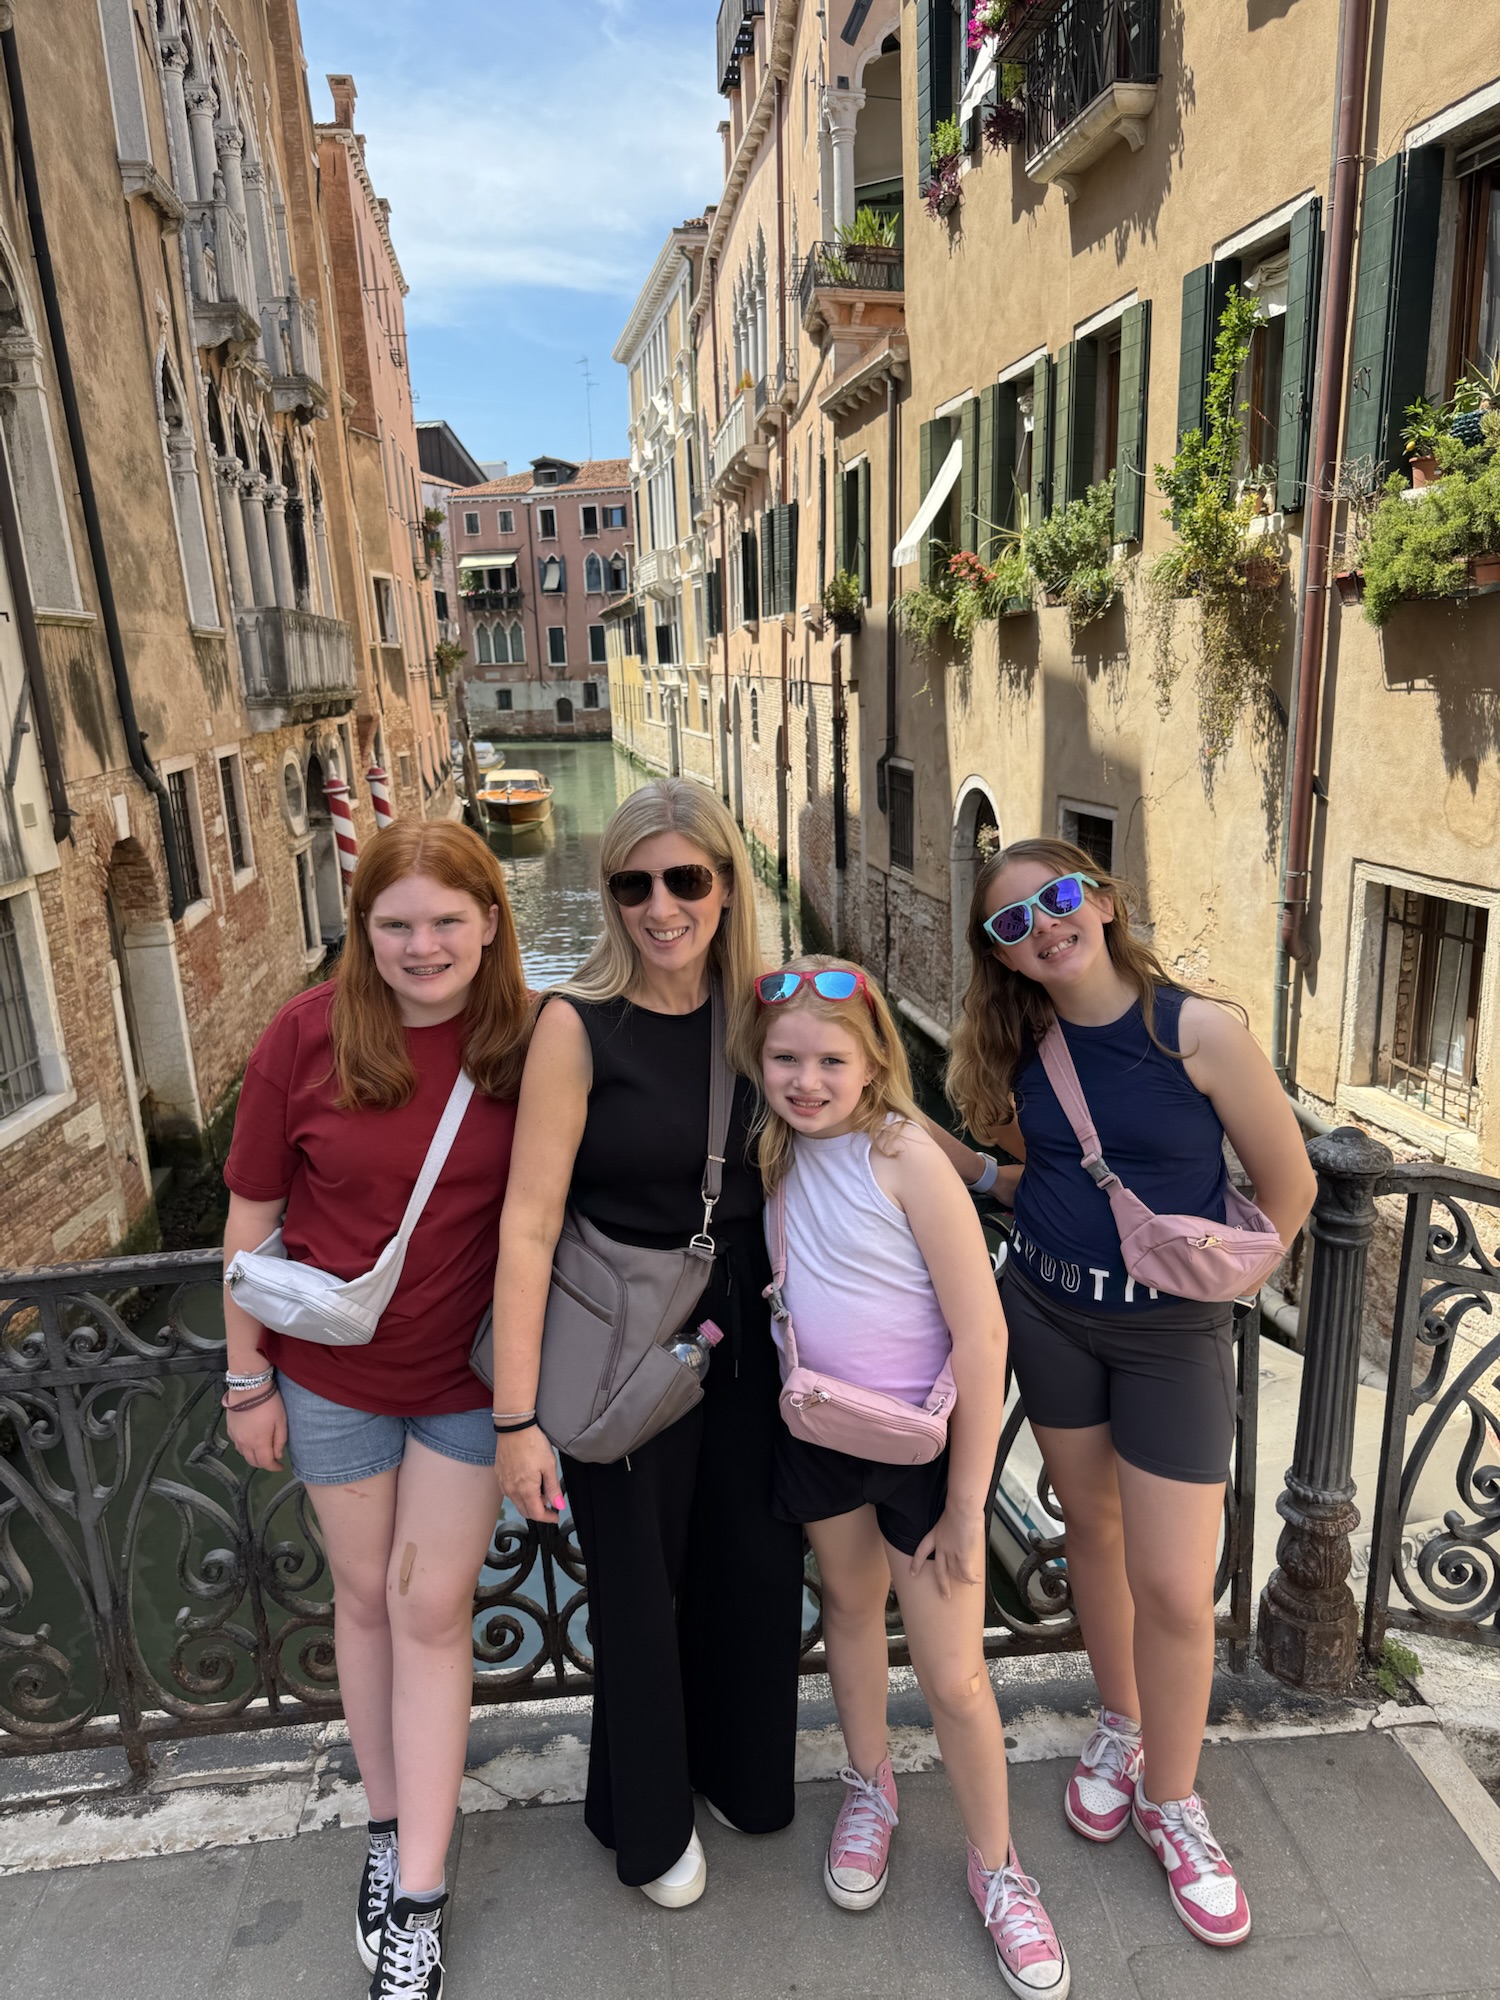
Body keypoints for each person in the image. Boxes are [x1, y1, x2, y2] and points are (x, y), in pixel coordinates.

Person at [946, 838, 1316, 1950]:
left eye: (1058, 898)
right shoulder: (1023, 1045)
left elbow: (1289, 1187)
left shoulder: (1197, 1031)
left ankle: (1174, 1797)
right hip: (1050, 1316)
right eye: (1013, 924)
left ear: (1102, 900)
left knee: (1171, 1576)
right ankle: (1119, 1722)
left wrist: (1211, 1286)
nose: (1043, 926)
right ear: (1004, 957)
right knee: (1093, 1534)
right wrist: (935, 1157)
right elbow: (1026, 1172)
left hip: (1171, 1338)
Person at [222, 820, 531, 2000]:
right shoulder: (304, 1035)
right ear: (362, 930)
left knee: (432, 1606)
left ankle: (421, 1887)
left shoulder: (528, 1040)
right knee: (363, 1598)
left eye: (448, 919)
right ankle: (384, 1823)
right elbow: (251, 1221)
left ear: (491, 921)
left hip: (468, 1384)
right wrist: (245, 1373)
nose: (422, 944)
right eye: (394, 922)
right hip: (329, 1375)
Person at [490, 778, 805, 1907]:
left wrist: (977, 1174)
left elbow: (858, 1115)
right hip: (624, 1339)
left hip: (748, 1337)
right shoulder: (575, 1024)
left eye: (686, 879)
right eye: (633, 883)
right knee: (635, 1584)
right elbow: (528, 1223)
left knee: (754, 1562)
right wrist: (516, 1416)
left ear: (726, 884)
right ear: (610, 893)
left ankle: (733, 1766)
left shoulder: (766, 1011)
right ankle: (649, 1818)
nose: (660, 906)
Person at [748, 954, 1070, 1999]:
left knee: (957, 1672)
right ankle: (871, 1783)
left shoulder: (907, 1155)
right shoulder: (771, 1152)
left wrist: (972, 1501)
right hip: (820, 1423)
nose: (806, 1078)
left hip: (926, 1451)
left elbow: (982, 1330)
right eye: (786, 1056)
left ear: (876, 1058)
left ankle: (999, 1865)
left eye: (830, 1058)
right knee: (848, 1604)